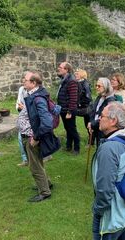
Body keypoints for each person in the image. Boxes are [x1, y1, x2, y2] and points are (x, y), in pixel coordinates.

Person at [91, 102, 125, 240]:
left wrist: (98, 210)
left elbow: (105, 187)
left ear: (113, 121)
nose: (99, 119)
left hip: (111, 213)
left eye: (102, 116)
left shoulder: (109, 148)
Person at [22, 71, 54, 202]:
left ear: (33, 83)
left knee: (34, 165)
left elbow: (46, 122)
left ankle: (45, 192)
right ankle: (47, 183)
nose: (23, 81)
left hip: (33, 137)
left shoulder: (38, 98)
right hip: (31, 135)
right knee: (37, 162)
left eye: (25, 80)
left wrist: (36, 138)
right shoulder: (34, 95)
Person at [57, 61, 80, 155]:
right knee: (67, 129)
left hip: (69, 110)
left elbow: (73, 98)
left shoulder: (72, 81)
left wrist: (69, 112)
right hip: (63, 109)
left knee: (72, 129)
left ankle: (77, 148)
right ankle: (68, 146)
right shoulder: (64, 79)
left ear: (66, 70)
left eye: (60, 67)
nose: (58, 68)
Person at [88, 78, 116, 146]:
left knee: (101, 146)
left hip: (104, 129)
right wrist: (91, 123)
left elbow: (105, 116)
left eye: (99, 86)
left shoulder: (110, 100)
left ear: (106, 87)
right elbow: (94, 111)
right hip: (97, 126)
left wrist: (92, 124)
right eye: (96, 85)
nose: (97, 88)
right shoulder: (99, 97)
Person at [75, 69, 93, 144]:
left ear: (82, 75)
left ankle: (91, 141)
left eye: (77, 73)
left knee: (88, 124)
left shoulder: (85, 83)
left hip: (86, 107)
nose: (75, 74)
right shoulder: (79, 82)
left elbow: (88, 97)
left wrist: (79, 103)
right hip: (82, 107)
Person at [16, 76, 28, 167]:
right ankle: (25, 159)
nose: (24, 84)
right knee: (20, 138)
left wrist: (24, 108)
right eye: (23, 82)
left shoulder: (32, 92)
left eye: (25, 82)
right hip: (22, 116)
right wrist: (18, 107)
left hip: (29, 118)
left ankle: (46, 155)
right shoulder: (21, 89)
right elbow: (18, 101)